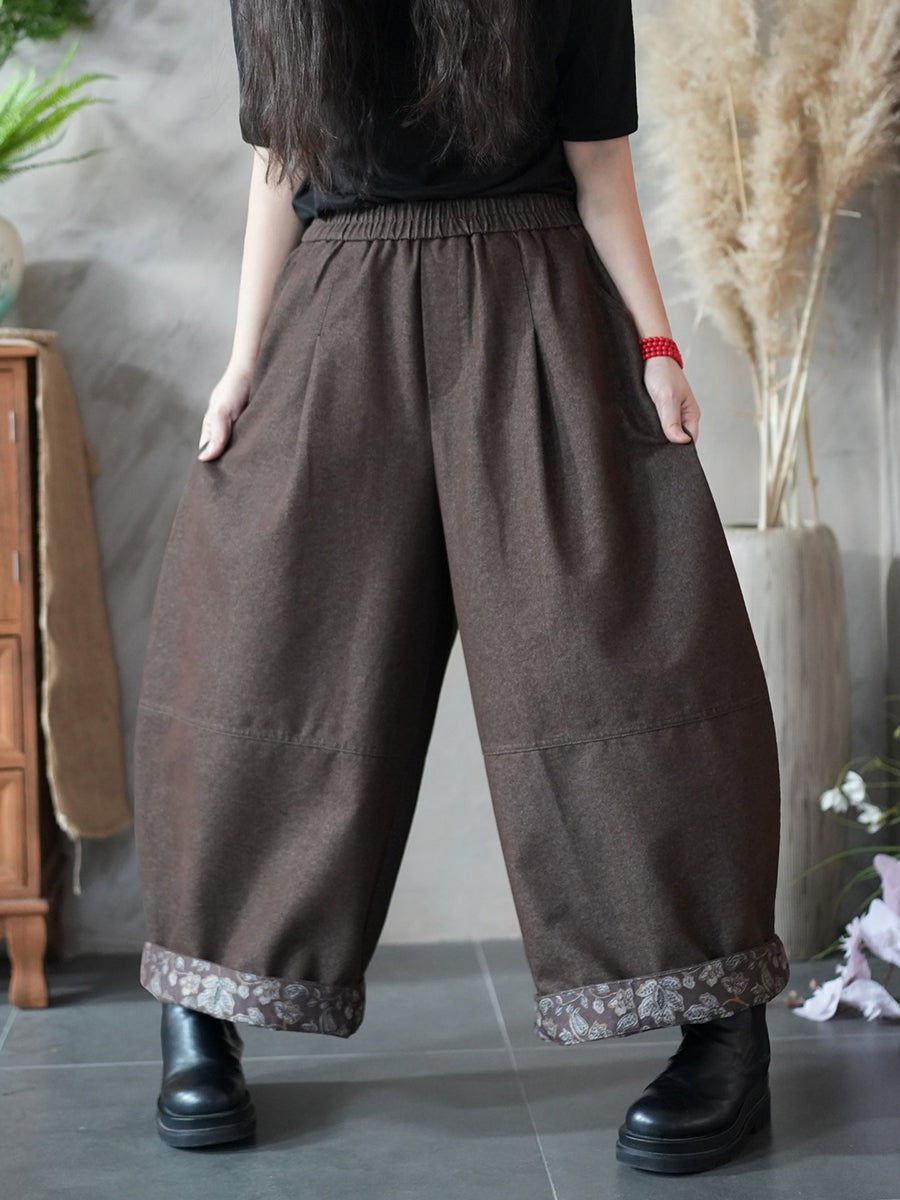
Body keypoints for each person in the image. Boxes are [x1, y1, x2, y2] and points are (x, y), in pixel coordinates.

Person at [132, 0, 790, 1174]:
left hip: (533, 299)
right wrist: (242, 363)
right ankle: (202, 1007)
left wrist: (657, 348)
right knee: (259, 654)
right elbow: (282, 166)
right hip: (338, 307)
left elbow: (599, 167)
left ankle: (722, 1027)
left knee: (615, 663)